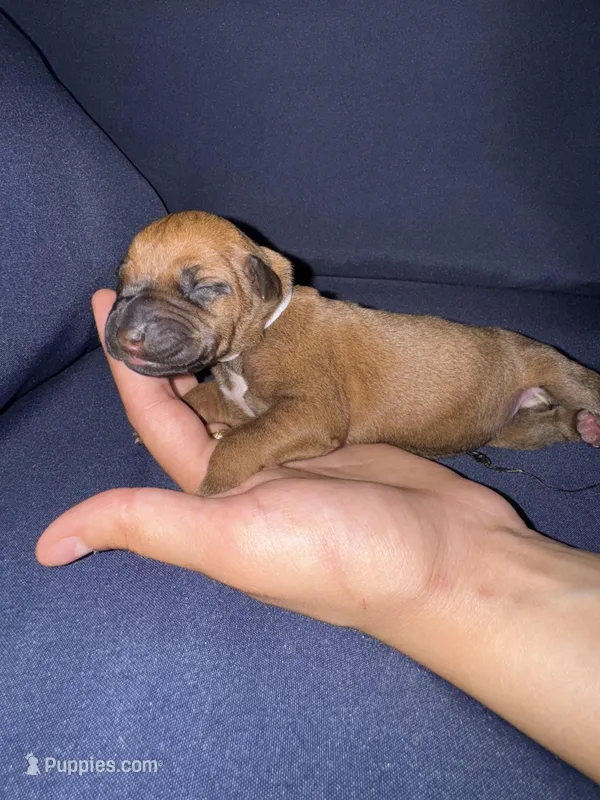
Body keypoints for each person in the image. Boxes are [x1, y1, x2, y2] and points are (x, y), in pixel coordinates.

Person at [37, 289, 600, 784]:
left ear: (262, 283)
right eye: (133, 287)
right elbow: (238, 402)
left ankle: (579, 407)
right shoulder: (241, 359)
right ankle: (561, 424)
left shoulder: (296, 337)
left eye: (201, 289)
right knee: (518, 431)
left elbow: (311, 419)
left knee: (546, 371)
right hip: (477, 438)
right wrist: (193, 406)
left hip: (507, 369)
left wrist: (221, 471)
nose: (139, 318)